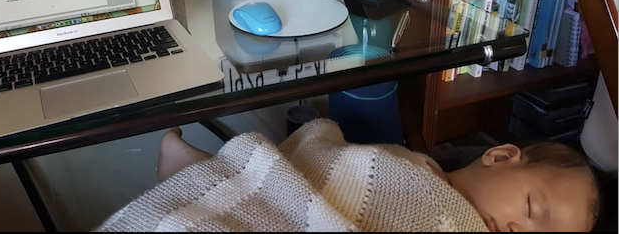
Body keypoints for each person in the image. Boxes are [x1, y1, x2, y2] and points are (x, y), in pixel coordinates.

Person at [97, 119, 600, 232]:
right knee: (258, 182)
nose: (521, 231)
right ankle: (204, 174)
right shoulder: (412, 167)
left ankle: (195, 172)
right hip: (283, 197)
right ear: (502, 156)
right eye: (533, 210)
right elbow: (323, 159)